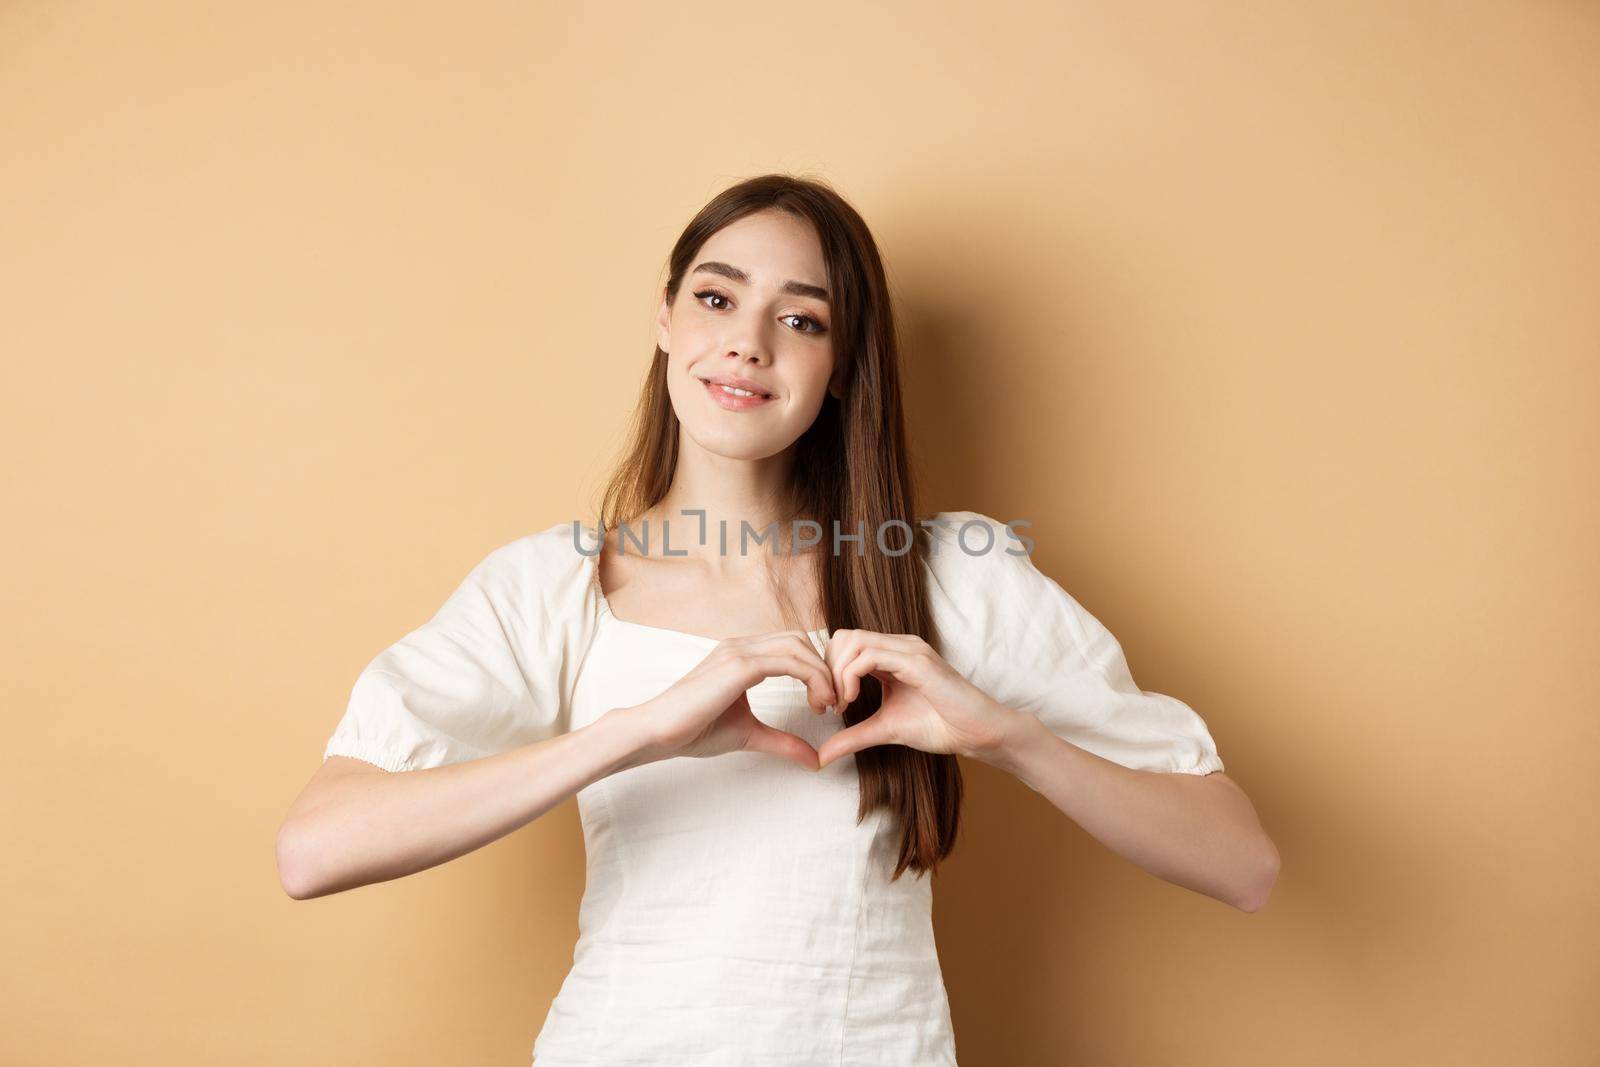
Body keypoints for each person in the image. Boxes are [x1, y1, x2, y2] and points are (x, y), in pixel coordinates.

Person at [277, 173, 1280, 1066]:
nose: (746, 344)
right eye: (715, 298)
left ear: (843, 365)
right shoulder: (555, 585)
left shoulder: (948, 577)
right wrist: (636, 731)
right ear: (666, 318)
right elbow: (315, 848)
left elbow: (1241, 862)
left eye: (800, 320)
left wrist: (1005, 736)